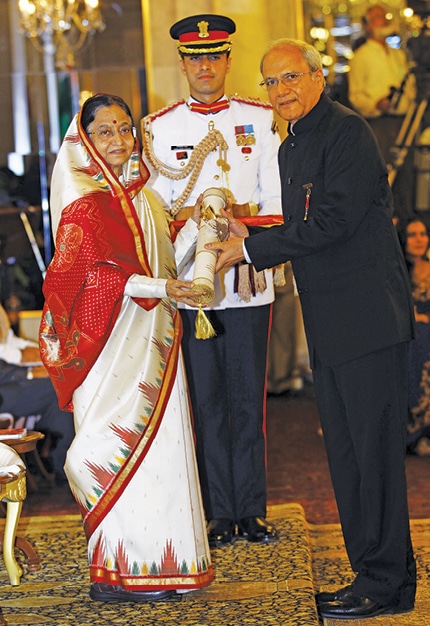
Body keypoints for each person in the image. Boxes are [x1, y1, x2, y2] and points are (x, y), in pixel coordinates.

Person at [207, 39, 417, 620]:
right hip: (332, 323)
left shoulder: (346, 132)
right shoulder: (291, 142)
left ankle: (384, 581)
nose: (282, 91)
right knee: (348, 457)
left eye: (292, 77)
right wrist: (247, 234)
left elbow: (331, 221)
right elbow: (295, 220)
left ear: (320, 76)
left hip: (368, 320)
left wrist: (249, 250)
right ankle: (378, 574)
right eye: (271, 82)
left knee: (372, 456)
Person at [39, 93, 213, 602]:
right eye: (105, 131)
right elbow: (86, 279)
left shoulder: (144, 198)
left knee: (162, 449)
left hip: (154, 337)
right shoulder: (85, 206)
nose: (118, 140)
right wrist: (162, 288)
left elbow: (164, 261)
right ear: (84, 142)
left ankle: (167, 565)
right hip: (107, 348)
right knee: (108, 447)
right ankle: (115, 570)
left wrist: (202, 230)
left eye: (124, 129)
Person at [141, 13, 282, 548]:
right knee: (205, 404)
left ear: (227, 61)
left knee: (249, 400)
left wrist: (236, 226)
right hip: (189, 287)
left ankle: (250, 508)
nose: (204, 66)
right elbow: (155, 211)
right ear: (182, 64)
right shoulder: (158, 128)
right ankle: (218, 511)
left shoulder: (261, 118)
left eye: (214, 56)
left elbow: (278, 204)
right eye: (194, 58)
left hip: (245, 276)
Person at [348, 5, 416, 220]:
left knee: (408, 174)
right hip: (379, 125)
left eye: (385, 16)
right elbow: (356, 94)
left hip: (404, 122)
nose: (384, 20)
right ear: (367, 25)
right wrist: (376, 104)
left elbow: (410, 83)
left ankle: (408, 221)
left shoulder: (398, 54)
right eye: (377, 18)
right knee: (386, 173)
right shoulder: (361, 56)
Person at [0, 303, 73, 483]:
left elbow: (18, 345)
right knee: (56, 387)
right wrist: (36, 370)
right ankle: (60, 464)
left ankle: (61, 463)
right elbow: (13, 357)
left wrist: (50, 361)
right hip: (5, 394)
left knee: (59, 393)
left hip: (14, 384)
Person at [399, 218, 430, 455]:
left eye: (423, 234)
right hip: (405, 333)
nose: (419, 239)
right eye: (412, 235)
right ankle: (412, 431)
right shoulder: (396, 270)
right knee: (416, 340)